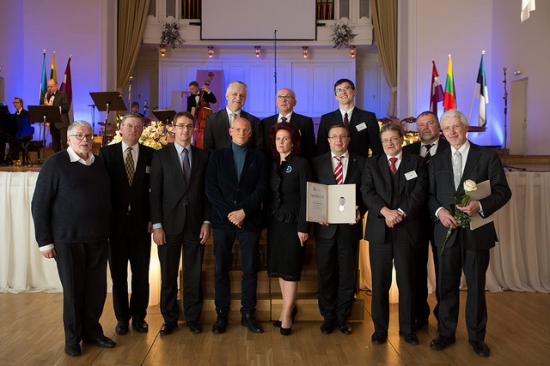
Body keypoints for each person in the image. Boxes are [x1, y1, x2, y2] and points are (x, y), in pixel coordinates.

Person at [427, 109, 511, 358]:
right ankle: (446, 333)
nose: (452, 132)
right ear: (443, 132)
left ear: (465, 129)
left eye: (456, 127)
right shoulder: (437, 160)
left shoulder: (486, 157)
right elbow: (430, 196)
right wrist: (440, 211)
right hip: (446, 232)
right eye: (447, 128)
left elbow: (502, 192)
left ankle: (477, 337)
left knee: (475, 286)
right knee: (446, 286)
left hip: (477, 232)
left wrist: (480, 206)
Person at [31, 121, 115, 357]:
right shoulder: (55, 163)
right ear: (68, 139)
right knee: (74, 292)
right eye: (79, 135)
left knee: (96, 290)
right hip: (67, 241)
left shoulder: (98, 164)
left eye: (88, 135)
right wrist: (44, 241)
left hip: (98, 239)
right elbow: (39, 205)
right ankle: (72, 340)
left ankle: (92, 333)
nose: (85, 140)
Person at [361, 123, 428, 346]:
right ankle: (380, 329)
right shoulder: (372, 163)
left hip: (407, 231)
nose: (390, 143)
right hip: (380, 230)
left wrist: (399, 213)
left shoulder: (416, 162)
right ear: (381, 143)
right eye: (385, 140)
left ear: (402, 140)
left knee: (407, 282)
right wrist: (386, 212)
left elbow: (420, 192)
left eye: (393, 139)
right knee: (379, 283)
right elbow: (367, 191)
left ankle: (408, 329)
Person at [149, 111, 212, 335]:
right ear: (172, 128)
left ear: (193, 129)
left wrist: (206, 221)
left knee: (193, 274)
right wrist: (157, 225)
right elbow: (154, 194)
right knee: (168, 274)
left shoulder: (203, 156)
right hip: (168, 226)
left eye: (189, 126)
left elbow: (207, 194)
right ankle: (170, 319)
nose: (185, 130)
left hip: (196, 225)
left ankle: (193, 318)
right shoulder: (160, 156)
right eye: (181, 126)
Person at [205, 117, 268, 334]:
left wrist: (243, 212)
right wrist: (229, 213)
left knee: (250, 269)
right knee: (221, 268)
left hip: (249, 220)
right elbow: (210, 187)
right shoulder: (216, 156)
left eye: (246, 130)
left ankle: (248, 313)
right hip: (223, 222)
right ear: (231, 131)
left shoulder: (259, 157)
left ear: (251, 133)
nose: (241, 133)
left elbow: (261, 188)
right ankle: (221, 313)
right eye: (238, 129)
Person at [99, 114, 155, 336]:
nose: (133, 130)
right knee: (119, 274)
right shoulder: (106, 154)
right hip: (115, 225)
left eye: (138, 127)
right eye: (129, 126)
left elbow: (155, 191)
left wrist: (153, 218)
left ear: (142, 131)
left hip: (142, 224)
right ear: (121, 128)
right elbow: (101, 192)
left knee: (141, 274)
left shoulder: (152, 155)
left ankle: (139, 317)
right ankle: (122, 318)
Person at [311, 124, 367, 335]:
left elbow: (367, 191)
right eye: (334, 136)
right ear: (328, 140)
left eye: (342, 136)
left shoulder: (361, 163)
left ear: (349, 139)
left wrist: (361, 209)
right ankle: (328, 316)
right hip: (325, 229)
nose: (338, 140)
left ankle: (343, 317)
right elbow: (312, 193)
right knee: (325, 273)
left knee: (347, 275)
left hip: (349, 228)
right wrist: (318, 213)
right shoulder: (316, 163)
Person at [263, 122, 312, 336]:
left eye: (285, 139)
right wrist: (265, 225)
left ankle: (286, 316)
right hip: (275, 223)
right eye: (278, 139)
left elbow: (306, 198)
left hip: (294, 224)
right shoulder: (272, 164)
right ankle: (287, 309)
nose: (281, 142)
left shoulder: (302, 164)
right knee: (281, 269)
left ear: (293, 142)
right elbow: (268, 197)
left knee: (291, 269)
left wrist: (303, 227)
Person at [402, 111, 450, 329]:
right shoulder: (407, 151)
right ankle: (420, 315)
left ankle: (444, 319)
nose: (425, 128)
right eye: (421, 124)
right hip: (416, 220)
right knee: (417, 270)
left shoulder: (451, 149)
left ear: (438, 125)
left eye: (430, 123)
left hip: (445, 220)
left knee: (444, 271)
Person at [315, 78, 383, 158]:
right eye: (338, 90)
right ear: (336, 96)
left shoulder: (368, 117)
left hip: (361, 166)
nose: (343, 92)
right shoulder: (326, 119)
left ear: (354, 92)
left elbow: (376, 147)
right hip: (335, 167)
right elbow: (321, 148)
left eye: (346, 88)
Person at [203, 81, 264, 152]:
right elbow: (208, 148)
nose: (238, 98)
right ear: (227, 96)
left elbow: (259, 150)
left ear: (245, 99)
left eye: (242, 95)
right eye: (235, 94)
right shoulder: (212, 119)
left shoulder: (254, 121)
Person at [261, 88, 315, 160]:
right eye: (280, 97)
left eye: (288, 97)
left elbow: (310, 148)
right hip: (270, 165)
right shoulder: (265, 122)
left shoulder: (305, 122)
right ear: (276, 102)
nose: (283, 100)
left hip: (296, 165)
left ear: (294, 102)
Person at [42, 78, 70, 152]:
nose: (49, 88)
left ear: (56, 86)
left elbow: (66, 107)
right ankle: (58, 160)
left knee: (65, 142)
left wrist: (54, 109)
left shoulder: (63, 95)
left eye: (51, 86)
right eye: (48, 87)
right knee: (55, 143)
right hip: (53, 123)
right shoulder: (47, 96)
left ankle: (68, 160)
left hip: (62, 122)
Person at [12, 97, 34, 163]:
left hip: (26, 133)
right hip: (19, 133)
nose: (15, 104)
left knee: (17, 140)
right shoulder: (14, 115)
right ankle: (15, 159)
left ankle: (15, 159)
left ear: (21, 103)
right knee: (12, 140)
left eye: (17, 102)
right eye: (14, 103)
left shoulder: (26, 113)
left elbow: (30, 123)